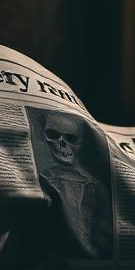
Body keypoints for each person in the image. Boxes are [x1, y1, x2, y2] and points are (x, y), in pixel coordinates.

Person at [34, 111, 113, 259]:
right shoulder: (39, 180)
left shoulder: (95, 187)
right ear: (44, 137)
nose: (62, 143)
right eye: (53, 135)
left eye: (70, 138)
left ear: (79, 144)